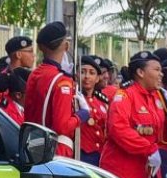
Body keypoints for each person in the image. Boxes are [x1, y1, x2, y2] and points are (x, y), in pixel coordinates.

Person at [101, 52, 167, 178]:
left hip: (148, 174)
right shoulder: (125, 96)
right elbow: (118, 128)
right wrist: (149, 149)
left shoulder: (157, 96)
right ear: (140, 72)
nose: (161, 74)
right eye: (156, 70)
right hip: (125, 175)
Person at [23, 22, 81, 158]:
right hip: (57, 150)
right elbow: (62, 127)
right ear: (66, 46)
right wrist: (80, 116)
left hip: (35, 145)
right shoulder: (62, 81)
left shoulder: (36, 73)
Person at [77, 56, 110, 165]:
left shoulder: (102, 101)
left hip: (101, 154)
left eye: (92, 73)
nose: (86, 77)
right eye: (82, 72)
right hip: (81, 153)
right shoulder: (75, 99)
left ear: (97, 78)